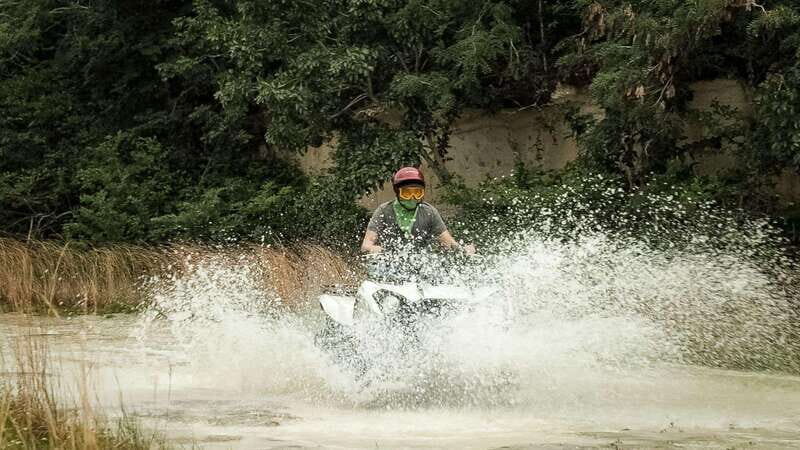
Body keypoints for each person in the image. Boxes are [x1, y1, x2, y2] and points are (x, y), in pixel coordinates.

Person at [361, 167, 476, 255]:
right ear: (397, 192)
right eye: (406, 193)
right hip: (389, 265)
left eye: (417, 193)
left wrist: (463, 249)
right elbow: (366, 245)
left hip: (421, 265)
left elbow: (448, 242)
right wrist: (372, 248)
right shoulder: (383, 211)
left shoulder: (429, 212)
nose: (412, 198)